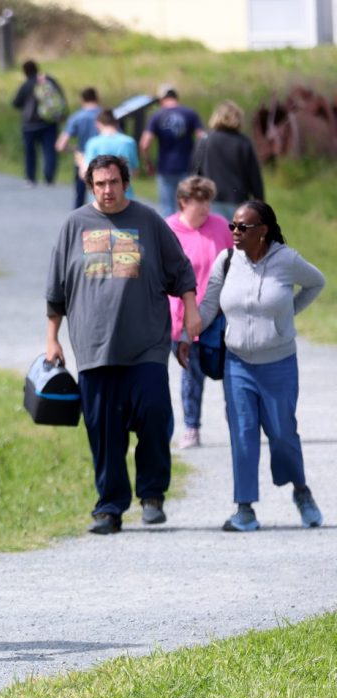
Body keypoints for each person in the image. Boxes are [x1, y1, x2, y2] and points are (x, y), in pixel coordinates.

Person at [46, 155, 199, 535]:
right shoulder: (73, 225)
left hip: (145, 343)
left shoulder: (148, 221)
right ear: (90, 185)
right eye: (100, 184)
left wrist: (192, 311)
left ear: (125, 181)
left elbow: (180, 270)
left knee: (155, 415)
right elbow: (56, 291)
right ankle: (110, 507)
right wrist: (52, 338)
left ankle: (152, 495)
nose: (107, 190)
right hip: (94, 347)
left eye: (113, 182)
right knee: (103, 430)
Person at [177, 201, 325, 532]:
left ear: (263, 231)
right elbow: (210, 304)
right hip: (237, 364)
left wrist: (288, 314)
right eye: (232, 226)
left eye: (243, 227)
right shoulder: (227, 260)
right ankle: (244, 508)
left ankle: (301, 491)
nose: (235, 232)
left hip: (279, 365)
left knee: (283, 434)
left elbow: (317, 282)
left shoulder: (286, 260)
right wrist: (187, 336)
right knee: (242, 433)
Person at [166, 177, 234, 449]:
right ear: (183, 202)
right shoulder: (168, 229)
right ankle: (191, 427)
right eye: (199, 201)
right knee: (192, 374)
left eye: (208, 200)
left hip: (220, 316)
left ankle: (238, 426)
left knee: (231, 372)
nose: (205, 207)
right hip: (183, 317)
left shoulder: (220, 226)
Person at [191, 100, 265, 219]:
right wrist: (260, 204)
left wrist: (193, 199)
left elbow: (195, 171)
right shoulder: (243, 142)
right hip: (238, 201)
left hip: (210, 200)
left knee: (214, 237)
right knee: (236, 236)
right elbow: (254, 177)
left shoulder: (205, 140)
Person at [140, 85, 205, 216]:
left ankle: (169, 235)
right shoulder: (190, 113)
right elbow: (203, 138)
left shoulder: (156, 116)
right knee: (188, 207)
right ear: (176, 97)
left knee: (167, 209)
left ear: (162, 99)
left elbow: (145, 143)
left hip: (165, 168)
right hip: (187, 166)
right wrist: (202, 160)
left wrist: (148, 162)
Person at [12, 59, 64, 187]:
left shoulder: (26, 85)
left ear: (25, 71)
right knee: (49, 150)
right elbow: (59, 98)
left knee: (30, 152)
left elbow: (16, 103)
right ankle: (49, 177)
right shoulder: (49, 81)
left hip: (29, 125)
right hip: (49, 123)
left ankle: (31, 178)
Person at [56, 87, 101, 208]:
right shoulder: (105, 116)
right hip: (103, 159)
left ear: (82, 100)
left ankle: (78, 221)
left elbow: (61, 145)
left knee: (80, 194)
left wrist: (74, 149)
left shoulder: (76, 117)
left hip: (83, 159)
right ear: (97, 98)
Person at [82, 110, 139, 200]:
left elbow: (85, 173)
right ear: (116, 123)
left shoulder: (93, 143)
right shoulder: (128, 142)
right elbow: (135, 172)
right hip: (124, 195)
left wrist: (80, 160)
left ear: (97, 124)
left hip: (99, 198)